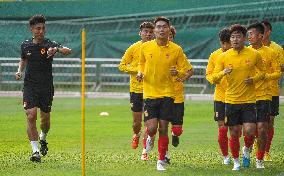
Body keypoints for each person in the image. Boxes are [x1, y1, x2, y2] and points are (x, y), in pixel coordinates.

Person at [15, 14, 72, 162]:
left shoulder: (49, 44)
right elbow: (23, 59)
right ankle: (35, 152)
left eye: (43, 28)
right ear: (32, 29)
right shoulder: (25, 45)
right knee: (31, 115)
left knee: (45, 121)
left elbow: (68, 50)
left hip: (46, 87)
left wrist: (57, 50)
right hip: (30, 86)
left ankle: (43, 137)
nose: (41, 31)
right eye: (38, 28)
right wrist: (20, 71)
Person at [137, 16, 189, 171]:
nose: (161, 29)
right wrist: (140, 73)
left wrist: (178, 74)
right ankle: (149, 138)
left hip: (168, 93)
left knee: (164, 128)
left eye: (164, 27)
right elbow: (141, 63)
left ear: (169, 29)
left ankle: (161, 160)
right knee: (152, 128)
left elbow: (188, 70)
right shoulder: (145, 47)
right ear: (154, 30)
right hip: (150, 93)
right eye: (158, 27)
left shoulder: (176, 49)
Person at [212, 24, 265, 170]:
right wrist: (223, 72)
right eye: (232, 37)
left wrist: (253, 79)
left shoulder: (254, 54)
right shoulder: (223, 56)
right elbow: (213, 78)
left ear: (244, 38)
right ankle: (235, 161)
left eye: (238, 36)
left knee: (250, 130)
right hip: (230, 101)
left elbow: (262, 72)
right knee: (234, 133)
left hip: (248, 100)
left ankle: (247, 150)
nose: (235, 39)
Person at [118, 21, 154, 160]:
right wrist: (136, 71)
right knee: (136, 123)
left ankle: (145, 151)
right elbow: (122, 65)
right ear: (140, 33)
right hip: (136, 90)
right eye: (146, 31)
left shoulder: (156, 48)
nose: (148, 34)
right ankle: (136, 134)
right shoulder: (133, 48)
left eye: (150, 32)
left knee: (149, 123)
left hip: (152, 90)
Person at [247, 22, 281, 168]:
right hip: (247, 96)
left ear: (263, 34)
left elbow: (278, 71)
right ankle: (247, 148)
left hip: (267, 94)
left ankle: (262, 156)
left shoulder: (273, 51)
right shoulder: (244, 51)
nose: (249, 37)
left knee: (264, 126)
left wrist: (265, 77)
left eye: (251, 34)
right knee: (250, 129)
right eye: (248, 34)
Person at [206, 28, 232, 165]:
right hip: (220, 98)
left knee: (237, 130)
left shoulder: (240, 54)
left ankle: (240, 152)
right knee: (222, 127)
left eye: (228, 43)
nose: (226, 47)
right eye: (223, 43)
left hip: (239, 98)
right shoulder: (214, 56)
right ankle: (226, 156)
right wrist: (220, 75)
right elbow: (209, 76)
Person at [261, 20, 284, 161]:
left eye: (263, 30)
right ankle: (254, 147)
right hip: (255, 92)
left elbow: (282, 67)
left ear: (269, 32)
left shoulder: (277, 49)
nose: (260, 33)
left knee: (269, 122)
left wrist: (271, 66)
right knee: (256, 122)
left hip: (272, 91)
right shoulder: (251, 49)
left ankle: (266, 151)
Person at [169, 25, 194, 148]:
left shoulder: (178, 53)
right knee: (157, 126)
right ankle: (162, 155)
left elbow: (189, 71)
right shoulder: (154, 51)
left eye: (171, 36)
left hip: (177, 96)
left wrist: (180, 76)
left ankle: (175, 134)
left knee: (177, 128)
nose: (168, 38)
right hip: (159, 94)